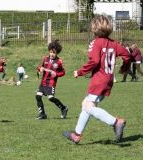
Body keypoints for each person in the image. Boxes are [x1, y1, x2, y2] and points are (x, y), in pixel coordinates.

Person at [62, 15, 131, 144]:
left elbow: (94, 61)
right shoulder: (114, 43)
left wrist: (80, 72)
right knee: (85, 105)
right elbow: (127, 55)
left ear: (94, 29)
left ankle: (116, 122)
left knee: (89, 108)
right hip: (108, 78)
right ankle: (76, 134)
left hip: (99, 79)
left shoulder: (96, 42)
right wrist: (124, 68)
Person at [35, 40, 68, 120]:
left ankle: (63, 108)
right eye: (51, 52)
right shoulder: (45, 59)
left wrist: (56, 74)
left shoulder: (59, 62)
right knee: (38, 96)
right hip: (43, 82)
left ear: (57, 53)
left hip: (51, 83)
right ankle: (42, 114)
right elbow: (40, 67)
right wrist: (40, 69)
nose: (52, 54)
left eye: (54, 53)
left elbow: (63, 72)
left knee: (50, 98)